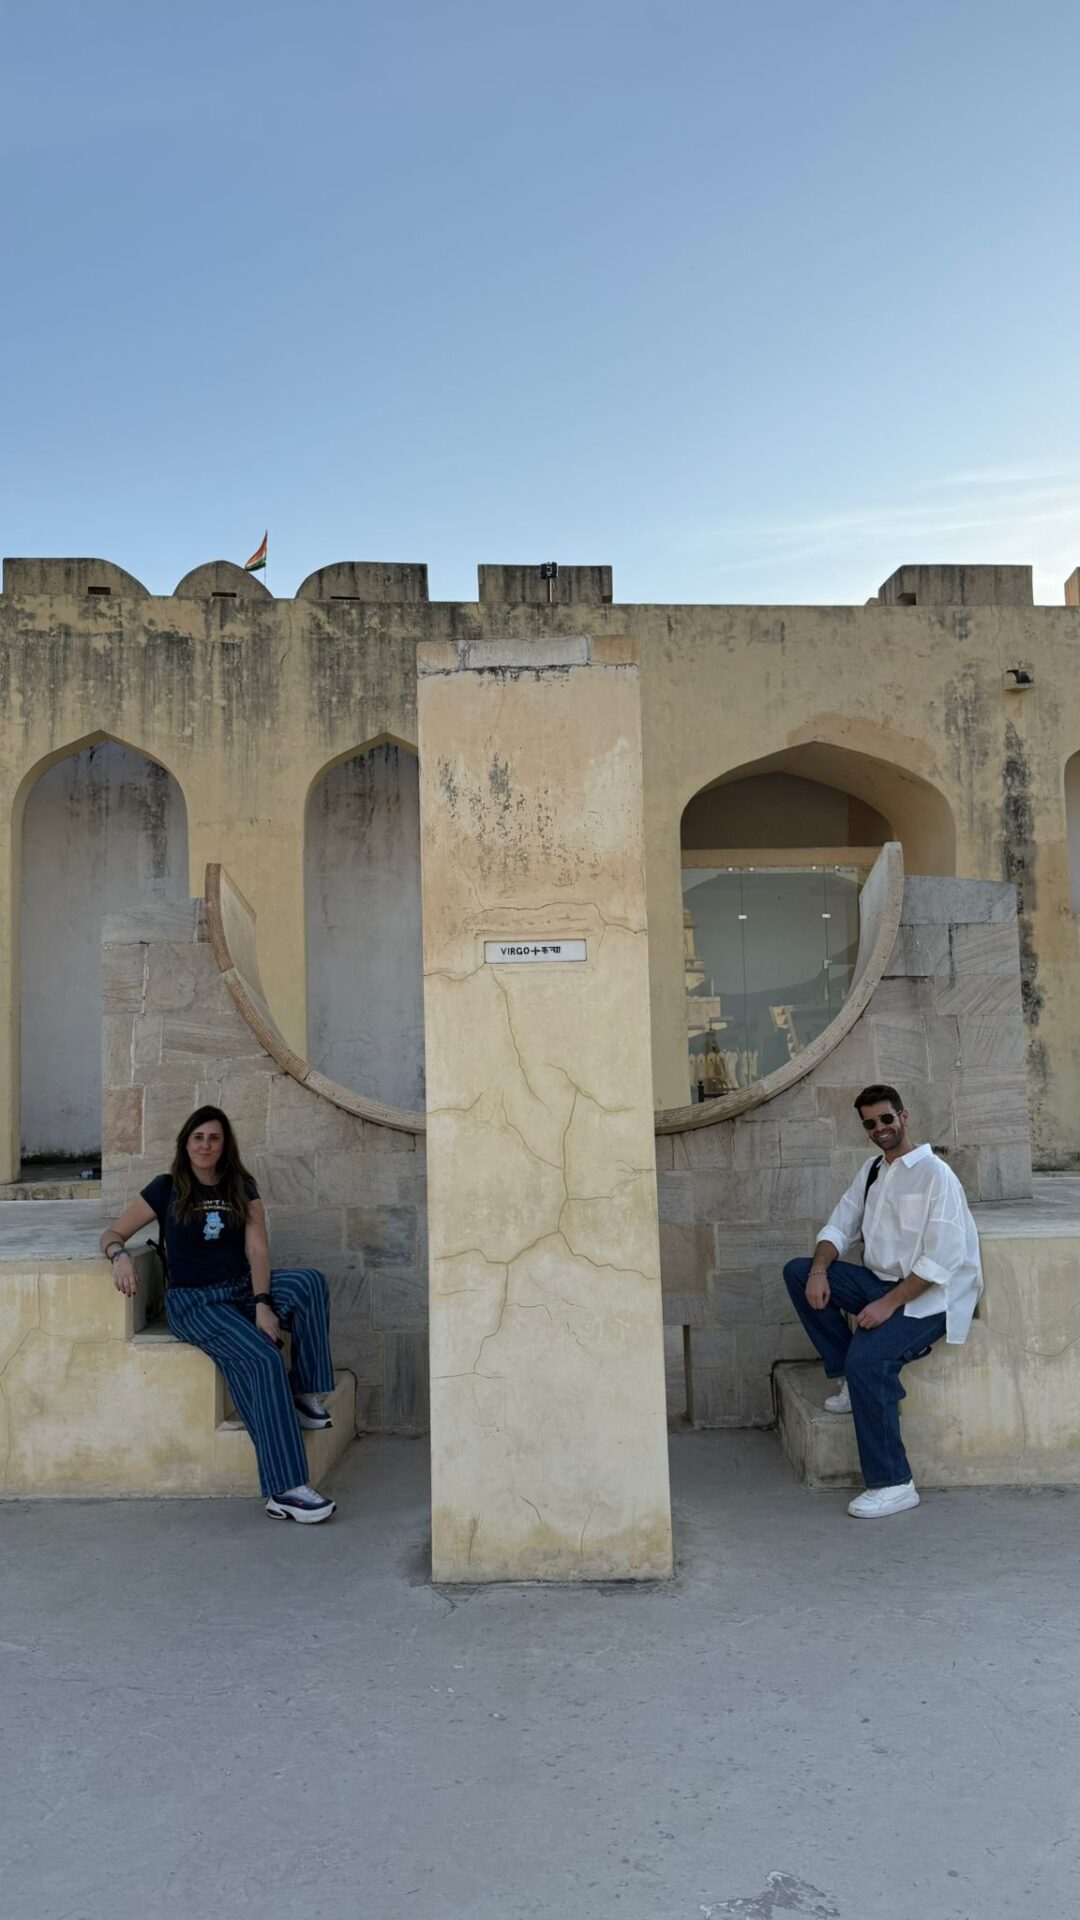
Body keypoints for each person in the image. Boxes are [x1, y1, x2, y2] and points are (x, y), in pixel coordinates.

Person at [101, 1105, 339, 1524]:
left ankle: (305, 1393)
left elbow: (257, 1249)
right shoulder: (166, 1188)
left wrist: (263, 1302)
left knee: (308, 1282)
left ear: (224, 1144)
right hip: (195, 1303)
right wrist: (119, 1255)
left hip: (242, 1291)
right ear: (186, 1143)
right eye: (198, 1137)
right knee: (263, 1359)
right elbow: (113, 1233)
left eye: (214, 1138)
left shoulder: (240, 1186)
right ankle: (285, 1489)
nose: (205, 1145)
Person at [783, 1083, 982, 1519]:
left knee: (870, 1362)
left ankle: (894, 1483)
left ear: (904, 1117)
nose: (879, 1129)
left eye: (886, 1119)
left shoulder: (936, 1175)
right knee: (799, 1272)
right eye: (870, 1123)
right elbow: (838, 1227)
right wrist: (820, 1272)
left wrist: (888, 1304)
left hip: (929, 1299)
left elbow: (941, 1261)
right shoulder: (873, 1170)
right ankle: (849, 1380)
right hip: (880, 1282)